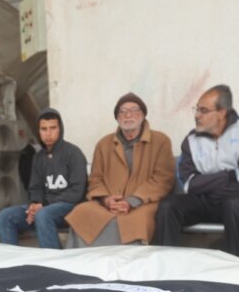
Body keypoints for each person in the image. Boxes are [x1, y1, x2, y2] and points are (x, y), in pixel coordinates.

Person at [154, 85, 239, 258]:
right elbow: (188, 184)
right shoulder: (191, 140)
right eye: (197, 109)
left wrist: (206, 184)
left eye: (204, 110)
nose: (197, 115)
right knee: (169, 205)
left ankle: (236, 270)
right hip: (205, 201)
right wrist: (228, 176)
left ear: (222, 112)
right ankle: (164, 265)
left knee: (234, 204)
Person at [66, 93, 175, 246]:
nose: (128, 115)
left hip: (143, 203)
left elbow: (163, 179)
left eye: (134, 110)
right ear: (117, 117)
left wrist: (132, 201)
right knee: (81, 212)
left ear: (143, 114)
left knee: (137, 221)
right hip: (110, 203)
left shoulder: (160, 141)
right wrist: (106, 199)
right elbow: (95, 179)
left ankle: (130, 266)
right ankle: (82, 262)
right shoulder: (103, 144)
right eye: (122, 111)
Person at [0, 108, 87, 249]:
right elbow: (35, 187)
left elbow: (77, 192)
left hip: (70, 208)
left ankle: (53, 264)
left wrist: (43, 205)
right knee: (5, 216)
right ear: (39, 131)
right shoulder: (38, 157)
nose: (48, 133)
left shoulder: (73, 153)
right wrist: (34, 204)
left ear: (60, 129)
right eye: (44, 129)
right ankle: (13, 265)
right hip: (44, 207)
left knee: (43, 215)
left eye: (53, 128)